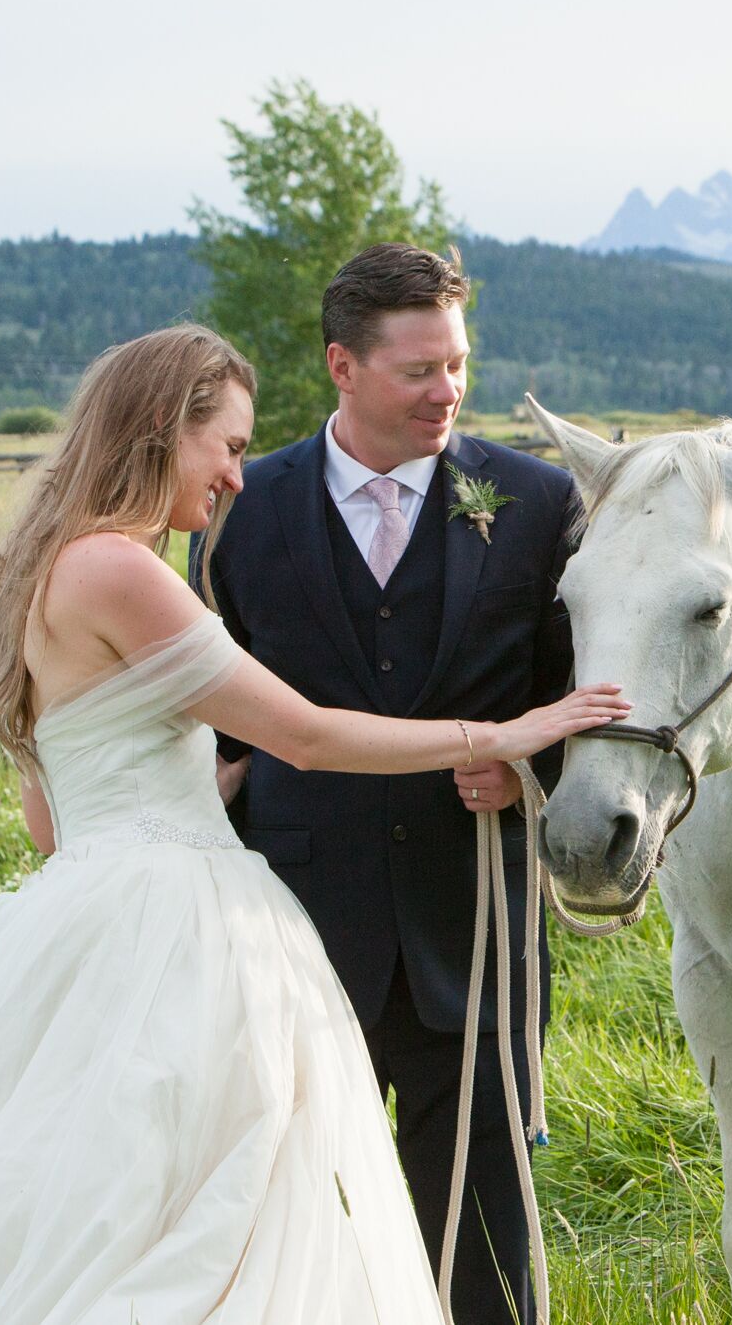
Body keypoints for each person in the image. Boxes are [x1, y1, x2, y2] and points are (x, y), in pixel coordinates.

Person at [0, 323, 626, 1324]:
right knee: (211, 1214)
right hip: (178, 923)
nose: (237, 480)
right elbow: (310, 734)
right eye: (228, 447)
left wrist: (196, 776)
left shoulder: (45, 566)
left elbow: (49, 816)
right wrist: (506, 729)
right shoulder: (120, 568)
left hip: (89, 912)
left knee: (112, 1203)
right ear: (164, 429)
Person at [196, 244, 580, 1325]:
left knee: (486, 1224)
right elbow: (215, 709)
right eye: (418, 369)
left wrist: (525, 773)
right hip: (295, 921)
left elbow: (575, 701)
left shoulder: (539, 504)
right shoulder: (241, 507)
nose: (447, 390)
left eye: (456, 363)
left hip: (477, 919)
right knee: (293, 1208)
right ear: (341, 365)